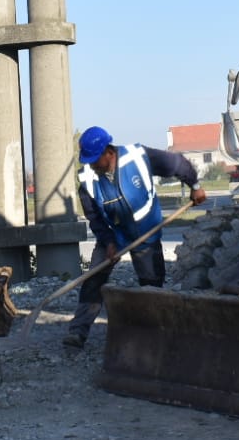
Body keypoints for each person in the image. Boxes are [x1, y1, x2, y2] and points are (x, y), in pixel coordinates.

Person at [65, 125, 208, 349]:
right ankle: (78, 332)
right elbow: (94, 217)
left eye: (94, 159)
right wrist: (109, 241)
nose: (91, 164)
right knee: (94, 280)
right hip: (113, 234)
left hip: (145, 231)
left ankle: (156, 334)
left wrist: (195, 186)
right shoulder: (87, 181)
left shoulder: (139, 157)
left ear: (108, 152)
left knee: (151, 286)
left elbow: (178, 164)